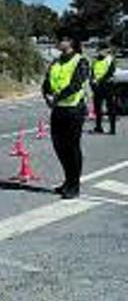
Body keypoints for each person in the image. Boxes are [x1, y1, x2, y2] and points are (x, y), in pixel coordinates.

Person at [42, 32, 90, 199]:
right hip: (58, 110)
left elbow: (76, 84)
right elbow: (47, 81)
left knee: (72, 147)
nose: (57, 42)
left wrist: (56, 98)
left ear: (70, 42)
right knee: (59, 146)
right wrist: (46, 95)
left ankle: (74, 185)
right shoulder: (56, 61)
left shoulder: (81, 61)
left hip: (74, 109)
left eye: (61, 40)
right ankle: (68, 180)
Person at [91, 43, 117, 135]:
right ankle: (98, 127)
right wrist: (92, 82)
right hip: (97, 88)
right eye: (99, 50)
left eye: (102, 50)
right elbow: (92, 72)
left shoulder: (110, 60)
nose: (100, 52)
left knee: (111, 108)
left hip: (108, 87)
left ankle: (112, 129)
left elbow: (110, 72)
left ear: (107, 50)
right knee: (97, 108)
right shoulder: (95, 60)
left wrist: (99, 80)